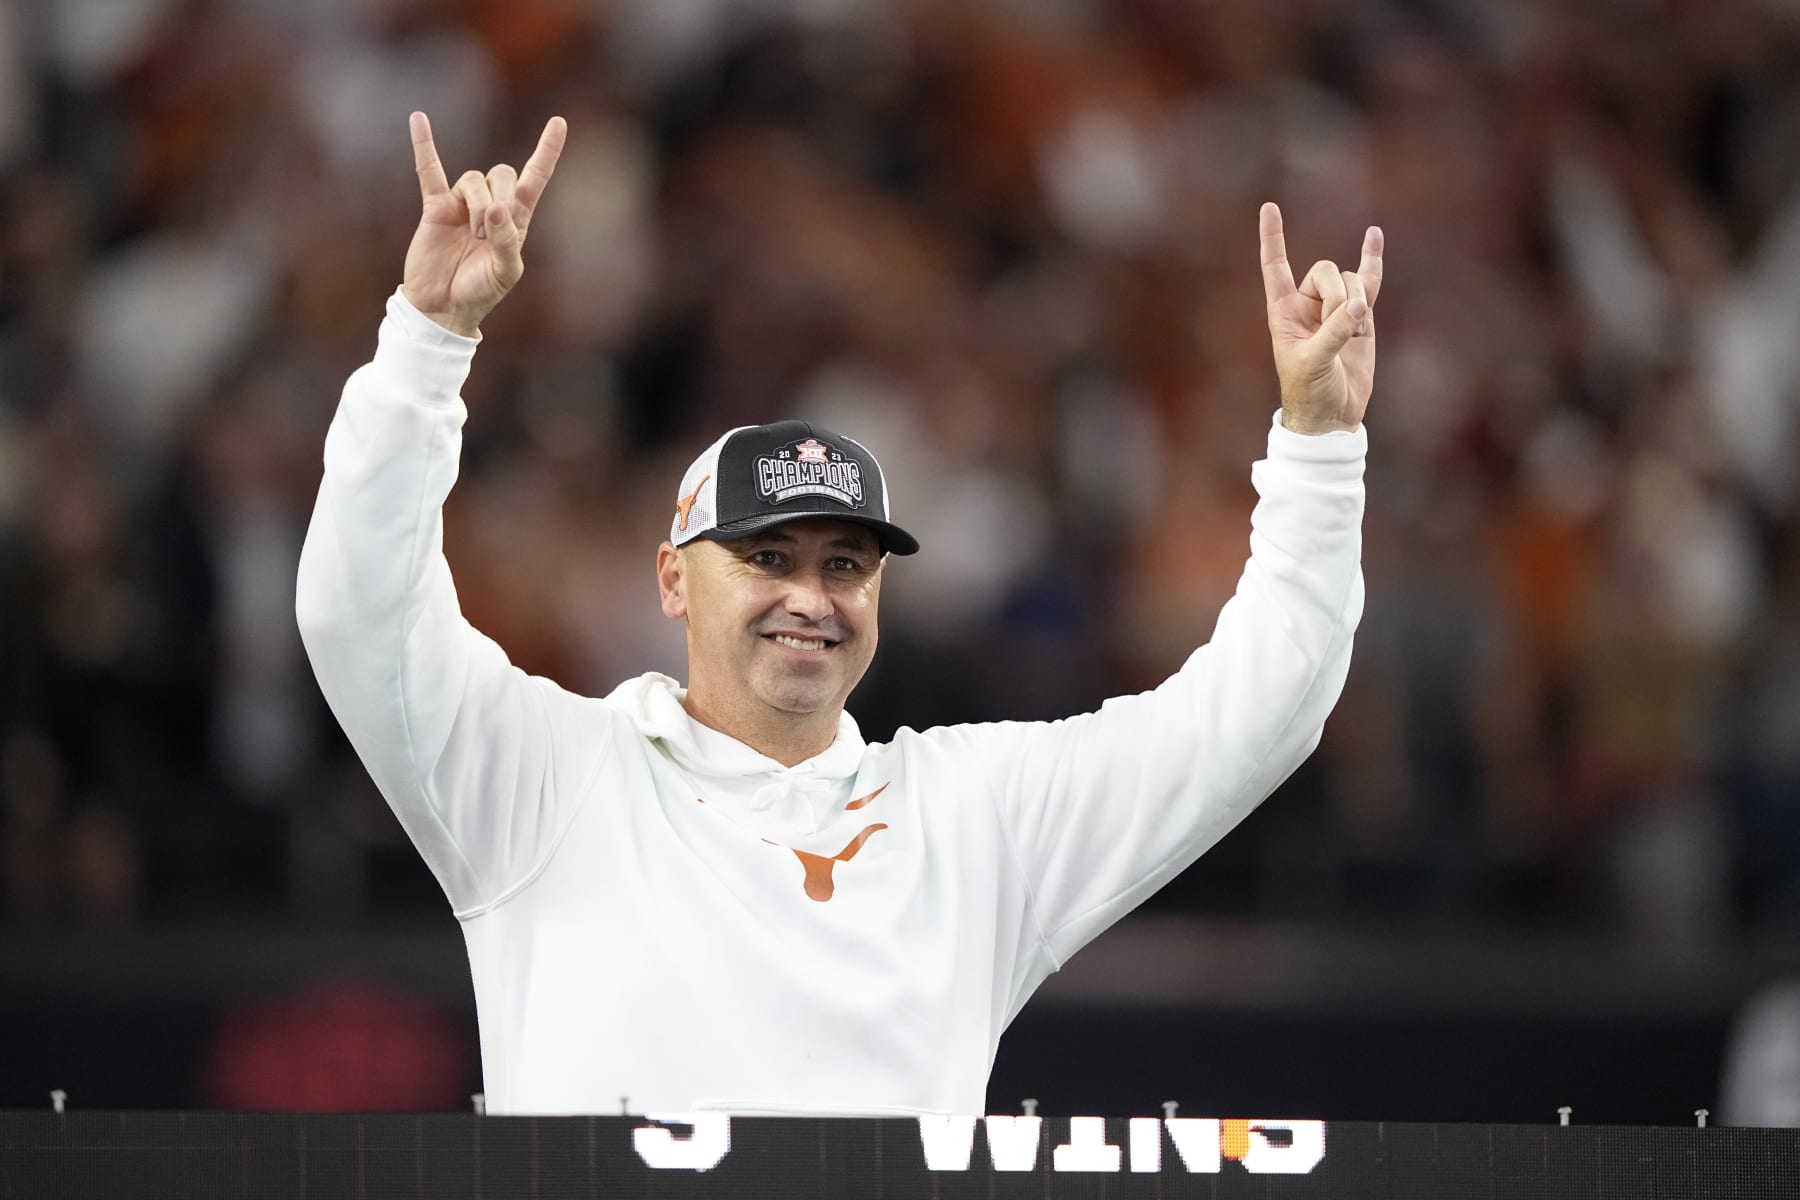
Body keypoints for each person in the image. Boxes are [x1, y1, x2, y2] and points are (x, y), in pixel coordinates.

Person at [295, 111, 1384, 1116]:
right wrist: (427, 342)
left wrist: (1321, 448)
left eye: (846, 565)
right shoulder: (544, 778)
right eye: (766, 557)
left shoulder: (971, 824)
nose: (810, 598)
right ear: (673, 578)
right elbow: (361, 613)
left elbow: (1254, 714)